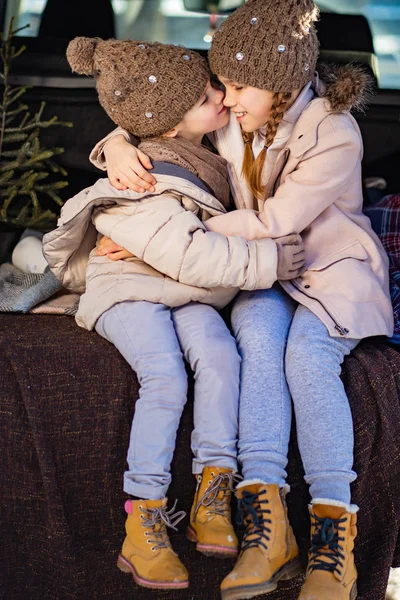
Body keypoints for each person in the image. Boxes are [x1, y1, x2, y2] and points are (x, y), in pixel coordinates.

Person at [90, 1, 394, 598]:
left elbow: (280, 218)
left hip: (326, 270)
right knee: (253, 340)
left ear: (281, 87)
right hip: (259, 272)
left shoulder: (334, 132)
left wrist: (169, 236)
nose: (225, 100)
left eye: (237, 87)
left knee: (307, 360)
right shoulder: (236, 113)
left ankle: (334, 539)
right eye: (221, 86)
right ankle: (267, 530)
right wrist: (116, 145)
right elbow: (160, 115)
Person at [42, 36, 305, 592]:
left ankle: (214, 489)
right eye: (210, 91)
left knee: (220, 356)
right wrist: (268, 261)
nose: (224, 97)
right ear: (165, 122)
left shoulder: (203, 147)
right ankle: (144, 522)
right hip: (128, 291)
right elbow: (188, 252)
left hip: (181, 289)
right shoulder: (143, 175)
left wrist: (114, 139)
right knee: (163, 375)